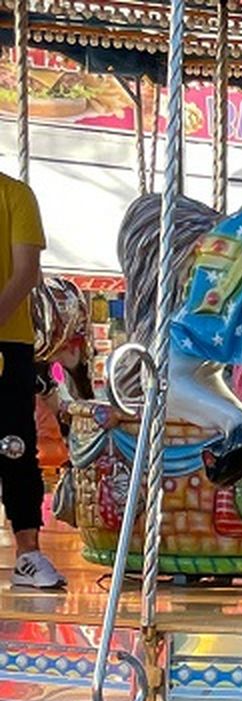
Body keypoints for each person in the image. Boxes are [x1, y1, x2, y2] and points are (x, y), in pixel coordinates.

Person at [0, 170, 61, 589]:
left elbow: (26, 272)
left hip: (8, 340)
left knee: (16, 446)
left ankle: (28, 551)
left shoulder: (15, 196)